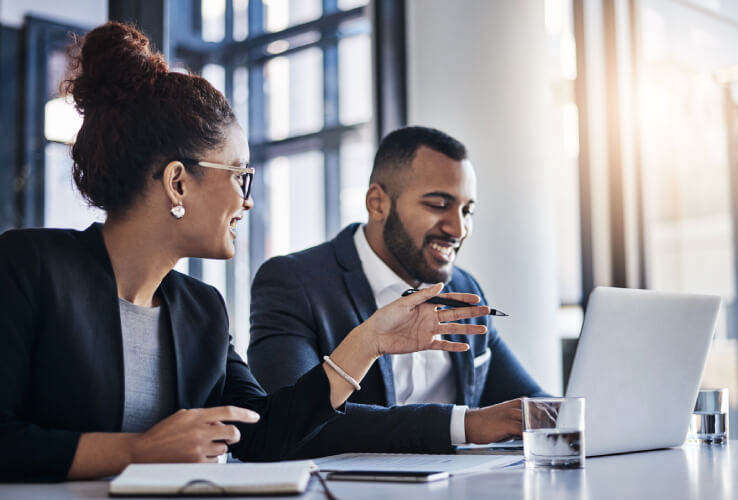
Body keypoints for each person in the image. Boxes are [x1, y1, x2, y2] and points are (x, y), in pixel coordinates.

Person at [0, 25, 492, 483]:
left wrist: (367, 343)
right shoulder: (30, 267)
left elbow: (262, 436)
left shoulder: (201, 310)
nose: (248, 199)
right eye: (239, 176)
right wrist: (138, 449)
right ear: (177, 182)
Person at [249, 126, 546, 457]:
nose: (458, 229)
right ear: (377, 204)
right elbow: (290, 422)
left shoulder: (464, 288)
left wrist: (573, 415)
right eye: (438, 204)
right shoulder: (294, 282)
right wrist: (465, 425)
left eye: (466, 211)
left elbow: (528, 404)